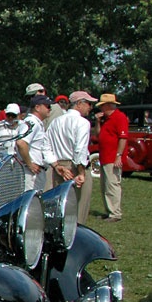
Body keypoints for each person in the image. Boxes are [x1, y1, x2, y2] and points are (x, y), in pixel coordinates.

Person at [47, 91, 95, 223]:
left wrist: (56, 165)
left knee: (60, 208)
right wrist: (81, 172)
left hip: (60, 168)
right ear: (79, 104)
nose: (90, 107)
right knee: (79, 210)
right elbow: (80, 150)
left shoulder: (55, 122)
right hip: (75, 167)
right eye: (89, 104)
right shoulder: (82, 123)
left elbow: (46, 147)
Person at [95, 92, 129, 222]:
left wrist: (118, 156)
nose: (101, 109)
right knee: (105, 185)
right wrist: (98, 122)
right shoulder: (106, 119)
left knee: (112, 184)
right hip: (105, 156)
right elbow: (98, 135)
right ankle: (109, 210)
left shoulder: (119, 117)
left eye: (102, 106)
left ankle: (115, 213)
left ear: (108, 105)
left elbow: (123, 138)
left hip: (112, 158)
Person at [15, 94, 57, 192]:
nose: (49, 109)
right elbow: (21, 143)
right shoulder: (32, 122)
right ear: (37, 107)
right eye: (47, 106)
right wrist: (29, 164)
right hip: (30, 173)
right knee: (31, 203)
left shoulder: (37, 123)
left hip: (35, 171)